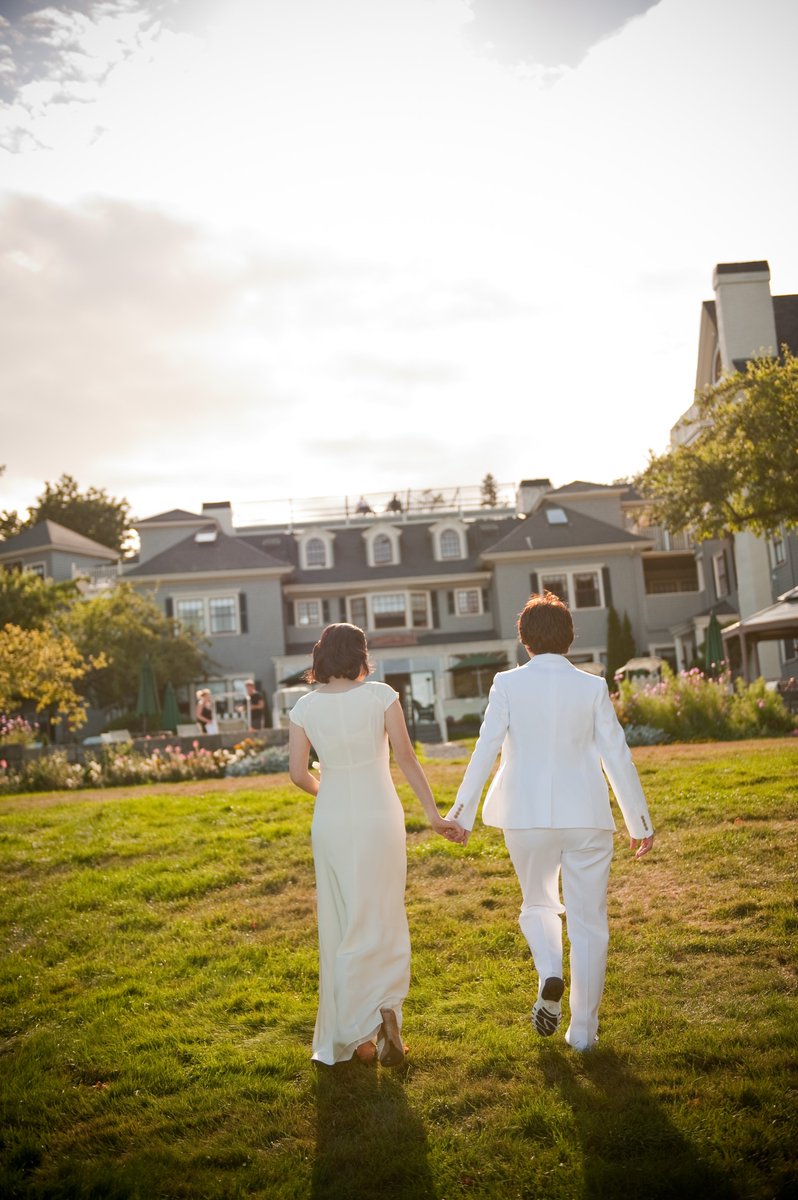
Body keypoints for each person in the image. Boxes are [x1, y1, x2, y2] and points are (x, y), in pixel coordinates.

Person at [446, 592, 654, 1052]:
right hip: (588, 818)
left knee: (538, 903)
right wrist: (639, 822)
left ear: (524, 641)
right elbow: (616, 755)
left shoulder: (506, 683)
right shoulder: (592, 686)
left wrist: (461, 814)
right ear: (570, 638)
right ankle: (583, 1033)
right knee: (589, 924)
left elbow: (486, 748)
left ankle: (550, 974)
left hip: (525, 816)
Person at [288, 622, 464, 1068]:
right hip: (380, 815)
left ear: (321, 656)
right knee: (383, 914)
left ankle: (358, 1036)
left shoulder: (304, 707)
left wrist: (326, 789)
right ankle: (385, 1009)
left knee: (343, 919)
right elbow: (405, 757)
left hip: (331, 819)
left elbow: (297, 774)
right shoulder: (381, 695)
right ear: (360, 656)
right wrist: (433, 814)